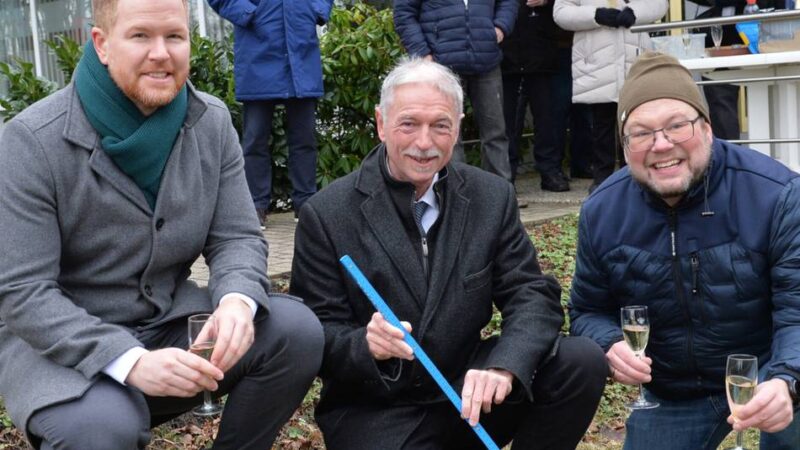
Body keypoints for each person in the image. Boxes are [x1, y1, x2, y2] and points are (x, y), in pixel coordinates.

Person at [0, 1, 324, 449]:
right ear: (102, 44)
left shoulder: (211, 121)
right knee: (101, 429)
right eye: (140, 36)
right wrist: (129, 360)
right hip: (63, 351)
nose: (161, 53)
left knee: (295, 331)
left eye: (174, 36)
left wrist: (237, 300)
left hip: (167, 325)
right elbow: (24, 292)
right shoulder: (31, 140)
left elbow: (236, 236)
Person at [290, 58, 607, 450]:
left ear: (457, 127)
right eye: (409, 124)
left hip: (468, 389)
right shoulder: (327, 213)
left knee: (579, 362)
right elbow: (316, 333)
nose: (425, 143)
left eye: (440, 126)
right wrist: (364, 344)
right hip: (380, 410)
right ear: (381, 123)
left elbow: (531, 295)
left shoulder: (490, 196)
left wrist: (504, 365)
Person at [570, 52, 800, 450]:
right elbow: (587, 310)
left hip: (769, 372)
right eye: (641, 133)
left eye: (677, 125)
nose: (661, 144)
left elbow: (797, 309)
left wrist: (788, 380)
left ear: (707, 128)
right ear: (624, 145)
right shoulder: (602, 212)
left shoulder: (775, 194)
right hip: (674, 391)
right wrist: (609, 343)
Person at [207, 0, 333, 226]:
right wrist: (248, 13)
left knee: (305, 138)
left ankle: (305, 204)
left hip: (300, 52)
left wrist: (315, 9)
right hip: (257, 51)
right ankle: (255, 206)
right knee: (255, 140)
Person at [393, 0, 517, 183]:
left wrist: (501, 26)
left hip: (486, 59)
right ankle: (453, 191)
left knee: (495, 132)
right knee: (446, 133)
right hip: (440, 65)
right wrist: (422, 53)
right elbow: (404, 13)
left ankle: (501, 191)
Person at [553, 0, 667, 192]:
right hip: (597, 60)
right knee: (601, 127)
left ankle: (637, 177)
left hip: (634, 59)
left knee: (637, 125)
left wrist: (635, 12)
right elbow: (561, 12)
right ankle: (602, 181)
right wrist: (595, 15)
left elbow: (659, 4)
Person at [501, 0, 571, 192]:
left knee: (547, 118)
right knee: (508, 121)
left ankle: (550, 171)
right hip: (506, 54)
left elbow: (566, 5)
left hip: (542, 50)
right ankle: (506, 176)